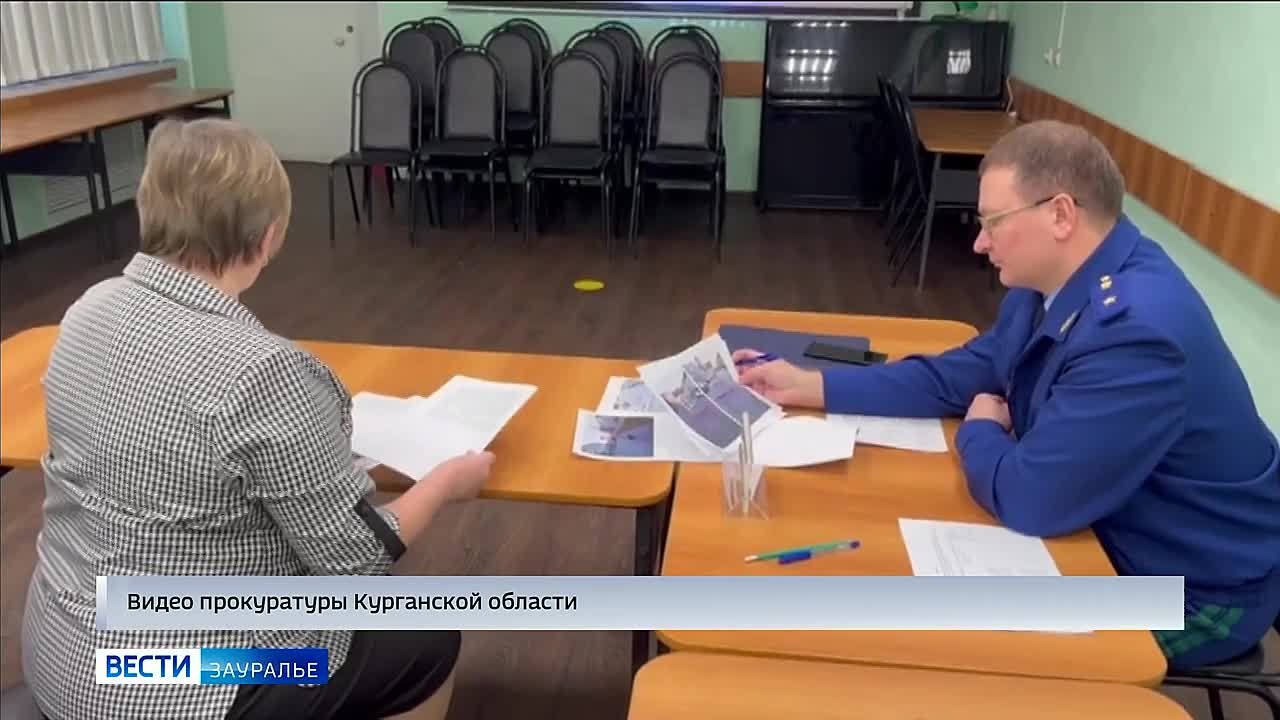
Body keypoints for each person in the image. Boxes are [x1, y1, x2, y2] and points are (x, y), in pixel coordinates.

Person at [734, 120, 1280, 670]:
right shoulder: (1058, 277)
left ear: (1060, 215)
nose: (979, 242)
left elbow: (1031, 498)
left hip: (1189, 591)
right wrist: (813, 385)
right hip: (1103, 530)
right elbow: (968, 372)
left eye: (994, 222)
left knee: (931, 634)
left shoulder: (1137, 332)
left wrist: (979, 432)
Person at [22, 118, 493, 720]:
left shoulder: (88, 309)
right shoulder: (263, 371)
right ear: (269, 237)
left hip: (60, 652)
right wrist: (446, 482)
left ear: (148, 208)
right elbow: (355, 558)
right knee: (426, 635)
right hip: (178, 682)